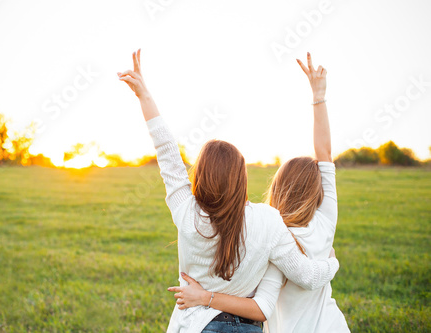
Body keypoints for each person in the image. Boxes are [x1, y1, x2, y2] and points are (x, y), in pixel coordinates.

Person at [117, 49, 340, 333]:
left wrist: (144, 95)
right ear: (241, 180)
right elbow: (307, 276)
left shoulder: (188, 214)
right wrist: (331, 263)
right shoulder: (269, 221)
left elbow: (167, 152)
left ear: (199, 176)